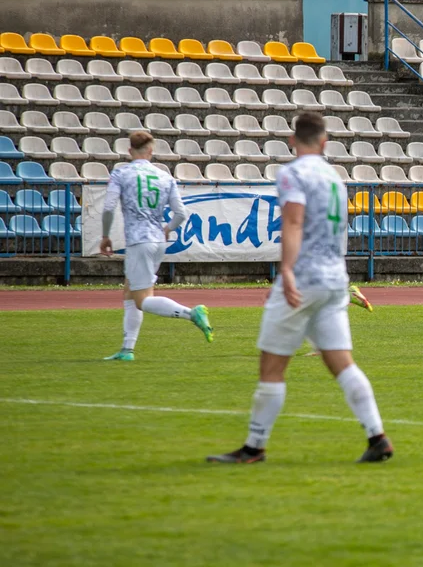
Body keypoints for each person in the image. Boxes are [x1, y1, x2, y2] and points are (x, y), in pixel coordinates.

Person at [207, 111, 392, 464]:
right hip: (335, 278)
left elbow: (293, 221)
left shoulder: (292, 173)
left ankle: (254, 447)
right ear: (324, 143)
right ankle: (377, 436)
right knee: (343, 364)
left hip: (304, 278)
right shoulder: (335, 177)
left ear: (293, 141)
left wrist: (286, 271)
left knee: (272, 367)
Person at [99, 130, 212, 360]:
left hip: (138, 241)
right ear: (151, 151)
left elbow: (109, 207)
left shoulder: (121, 174)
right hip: (158, 240)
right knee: (130, 292)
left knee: (142, 300)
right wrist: (168, 229)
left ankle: (193, 314)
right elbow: (181, 213)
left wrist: (105, 235)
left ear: (130, 151)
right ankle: (127, 350)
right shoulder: (165, 177)